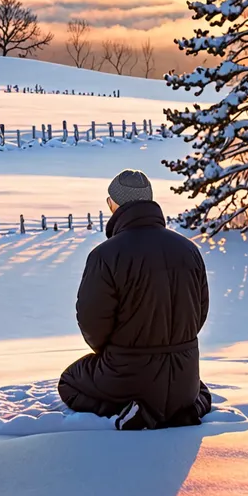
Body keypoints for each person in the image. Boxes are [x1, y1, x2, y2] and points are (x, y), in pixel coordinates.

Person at [58, 169, 212, 430]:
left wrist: (110, 354)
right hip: (182, 368)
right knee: (198, 388)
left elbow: (92, 320)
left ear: (113, 204)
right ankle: (187, 409)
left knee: (69, 381)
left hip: (126, 370)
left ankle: (133, 411)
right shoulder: (189, 249)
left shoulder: (105, 255)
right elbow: (200, 312)